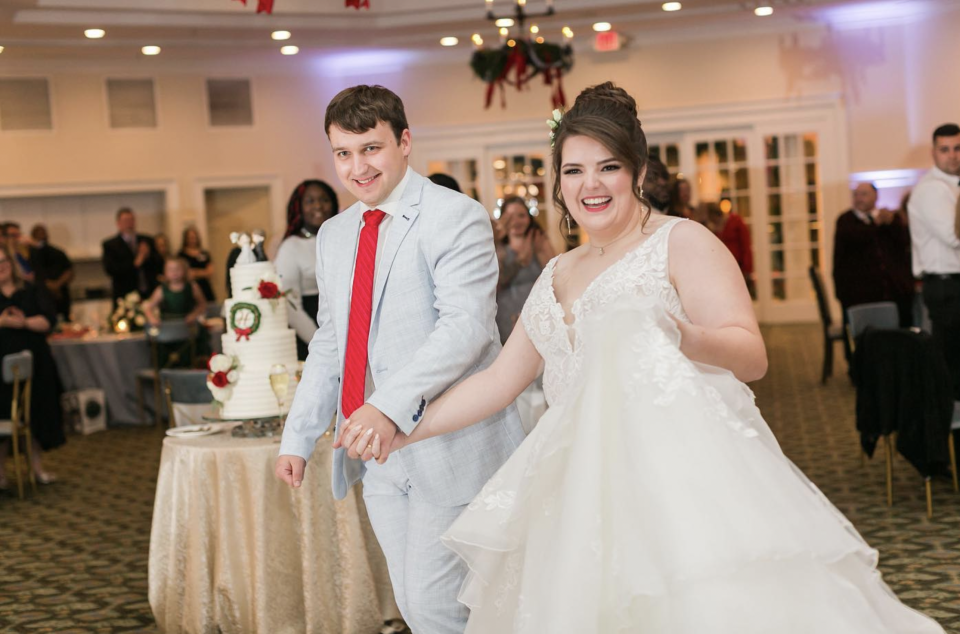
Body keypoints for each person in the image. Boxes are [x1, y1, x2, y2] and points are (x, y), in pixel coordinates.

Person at [338, 83, 946, 632]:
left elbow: (752, 355)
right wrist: (399, 428)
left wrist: (681, 335)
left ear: (637, 171)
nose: (590, 185)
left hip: (679, 479)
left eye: (608, 167)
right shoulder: (556, 272)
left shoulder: (682, 243)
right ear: (558, 181)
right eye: (574, 170)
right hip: (573, 487)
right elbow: (499, 381)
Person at [275, 84, 524, 634]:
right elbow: (333, 339)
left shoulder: (454, 215)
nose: (357, 167)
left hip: (450, 443)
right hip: (378, 455)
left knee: (438, 608)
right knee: (413, 604)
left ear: (405, 141)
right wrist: (299, 435)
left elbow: (466, 328)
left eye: (371, 148)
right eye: (343, 153)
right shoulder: (336, 234)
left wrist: (385, 407)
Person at [0, 243, 64, 490]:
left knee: (35, 412)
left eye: (5, 261)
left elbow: (48, 321)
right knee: (3, 414)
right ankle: (1, 475)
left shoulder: (31, 290)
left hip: (35, 361)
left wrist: (22, 322)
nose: (2, 267)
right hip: (1, 366)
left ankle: (37, 469)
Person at [908, 123, 960, 397]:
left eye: (957, 148)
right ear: (933, 153)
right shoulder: (931, 189)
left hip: (952, 285)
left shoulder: (953, 186)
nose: (952, 155)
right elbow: (955, 237)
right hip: (946, 288)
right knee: (952, 371)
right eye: (945, 149)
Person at [833, 183, 914, 332]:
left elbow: (904, 244)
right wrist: (877, 223)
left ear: (876, 196)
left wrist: (892, 223)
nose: (859, 199)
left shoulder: (890, 219)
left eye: (864, 194)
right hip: (860, 293)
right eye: (856, 195)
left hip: (893, 290)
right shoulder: (846, 221)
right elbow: (856, 238)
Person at [274, 180, 339, 360]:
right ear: (299, 208)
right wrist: (322, 345)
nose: (318, 206)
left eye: (324, 199)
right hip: (311, 334)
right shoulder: (291, 247)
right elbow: (290, 306)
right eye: (310, 201)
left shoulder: (343, 239)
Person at [496, 196, 556, 344]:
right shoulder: (497, 246)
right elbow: (496, 283)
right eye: (510, 216)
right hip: (506, 316)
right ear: (503, 219)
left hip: (537, 313)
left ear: (529, 218)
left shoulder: (538, 239)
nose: (516, 221)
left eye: (521, 215)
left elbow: (554, 276)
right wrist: (520, 260)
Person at [101, 207, 164, 303]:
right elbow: (111, 269)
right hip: (125, 293)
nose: (129, 224)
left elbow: (160, 264)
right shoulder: (110, 245)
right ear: (118, 223)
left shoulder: (147, 240)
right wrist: (137, 261)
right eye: (126, 220)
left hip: (149, 292)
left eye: (131, 220)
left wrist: (147, 256)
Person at [705, 201, 755, 295]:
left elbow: (746, 246)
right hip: (723, 270)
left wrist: (747, 270)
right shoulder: (713, 229)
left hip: (739, 267)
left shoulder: (736, 221)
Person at [29, 224, 74, 320]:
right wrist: (50, 285)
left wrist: (57, 285)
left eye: (43, 234)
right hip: (40, 298)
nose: (41, 237)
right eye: (38, 234)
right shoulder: (28, 255)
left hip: (61, 295)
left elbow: (69, 271)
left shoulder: (57, 252)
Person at [177, 226, 216, 302]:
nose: (192, 240)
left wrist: (195, 272)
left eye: (194, 237)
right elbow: (186, 274)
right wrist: (202, 272)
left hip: (205, 287)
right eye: (190, 238)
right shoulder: (181, 255)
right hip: (189, 288)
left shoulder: (204, 253)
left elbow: (209, 272)